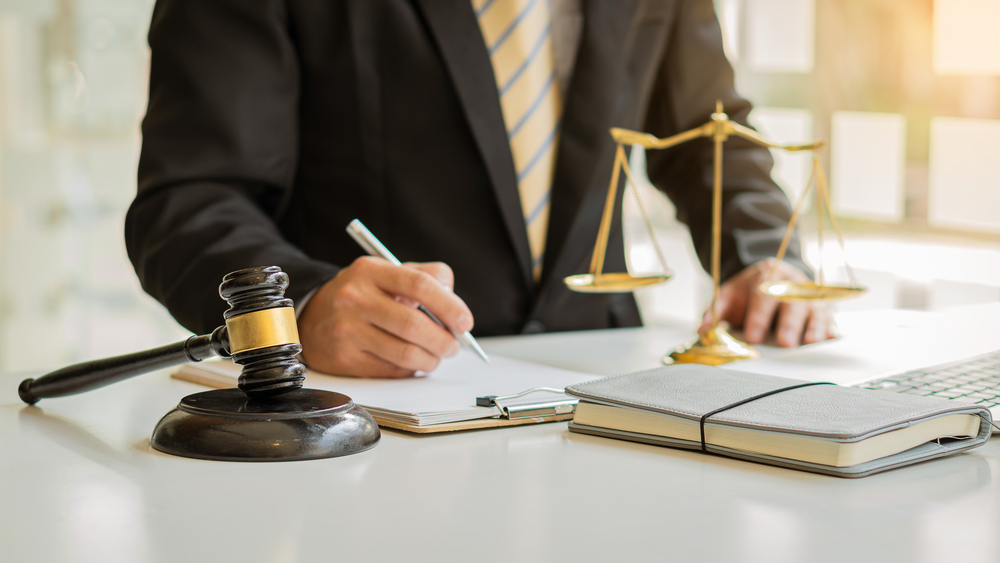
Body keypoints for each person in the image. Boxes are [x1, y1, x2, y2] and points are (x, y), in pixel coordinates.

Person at [126, 0, 833, 378]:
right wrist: (304, 308)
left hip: (611, 397)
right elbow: (190, 200)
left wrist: (765, 255)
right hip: (374, 419)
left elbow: (707, 131)